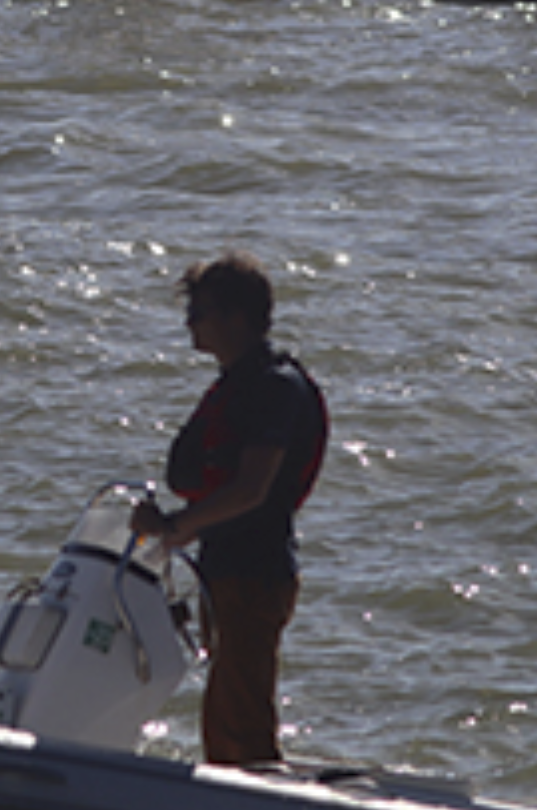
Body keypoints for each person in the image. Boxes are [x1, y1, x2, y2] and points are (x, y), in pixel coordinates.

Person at [128, 252, 329, 767]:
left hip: (254, 573)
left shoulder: (273, 388)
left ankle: (254, 790)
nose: (189, 324)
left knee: (239, 722)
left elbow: (250, 489)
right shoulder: (239, 384)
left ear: (237, 317)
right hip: (227, 573)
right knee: (225, 714)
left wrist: (173, 529)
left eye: (199, 313)